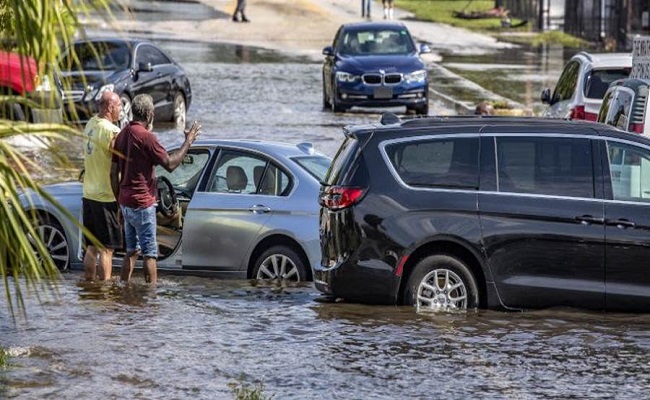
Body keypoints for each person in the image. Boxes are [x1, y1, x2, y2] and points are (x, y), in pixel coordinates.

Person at [110, 94, 201, 284]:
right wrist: (188, 141)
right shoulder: (147, 138)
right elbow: (170, 164)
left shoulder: (122, 135)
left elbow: (113, 173)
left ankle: (124, 288)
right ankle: (151, 298)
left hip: (126, 204)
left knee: (131, 251)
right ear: (150, 114)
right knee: (150, 253)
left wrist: (119, 200)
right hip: (142, 204)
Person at [82, 91, 123, 282]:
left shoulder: (90, 124)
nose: (121, 111)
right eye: (119, 107)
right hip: (105, 196)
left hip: (88, 194)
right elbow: (119, 162)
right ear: (109, 108)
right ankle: (105, 290)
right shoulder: (111, 131)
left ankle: (89, 285)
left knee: (91, 245)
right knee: (107, 248)